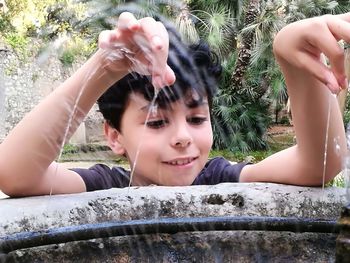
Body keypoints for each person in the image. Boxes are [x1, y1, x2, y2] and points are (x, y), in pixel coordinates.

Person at [0, 12, 347, 197]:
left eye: (196, 119)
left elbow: (317, 166)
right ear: (114, 136)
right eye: (156, 122)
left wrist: (291, 52)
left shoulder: (218, 179)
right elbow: (15, 174)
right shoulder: (106, 185)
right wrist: (104, 68)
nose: (183, 137)